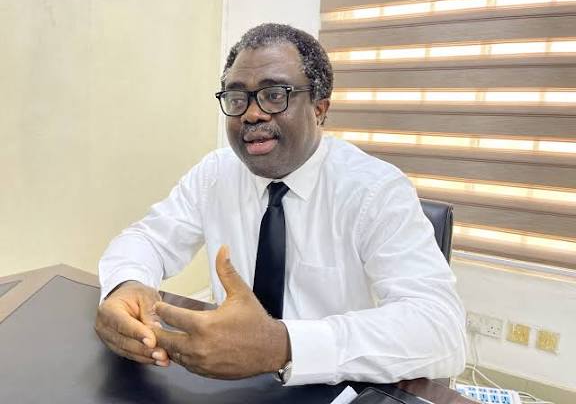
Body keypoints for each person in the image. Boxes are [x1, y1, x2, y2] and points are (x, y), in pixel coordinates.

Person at [95, 23, 466, 386]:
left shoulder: (375, 190)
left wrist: (283, 345)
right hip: (231, 382)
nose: (251, 114)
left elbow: (440, 329)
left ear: (320, 108)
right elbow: (148, 240)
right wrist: (127, 285)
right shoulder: (216, 173)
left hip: (334, 384)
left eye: (274, 95)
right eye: (237, 98)